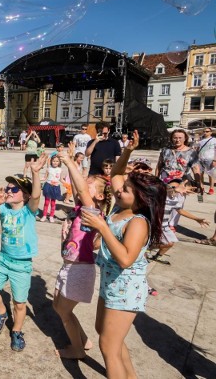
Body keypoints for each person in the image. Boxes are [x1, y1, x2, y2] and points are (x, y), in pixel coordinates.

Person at [80, 130, 166, 378]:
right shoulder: (121, 206)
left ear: (141, 199)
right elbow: (116, 174)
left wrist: (102, 228)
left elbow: (127, 259)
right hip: (111, 283)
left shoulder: (137, 222)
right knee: (106, 335)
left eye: (126, 189)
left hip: (126, 287)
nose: (119, 189)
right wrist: (128, 150)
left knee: (108, 346)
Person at [0, 153, 48, 352]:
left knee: (20, 304)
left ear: (25, 195)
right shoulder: (3, 209)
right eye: (8, 187)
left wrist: (35, 173)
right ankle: (2, 312)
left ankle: (17, 331)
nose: (9, 191)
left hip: (21, 264)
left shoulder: (28, 210)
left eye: (14, 189)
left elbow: (36, 196)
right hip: (2, 259)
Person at [54, 152, 112, 359]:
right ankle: (84, 341)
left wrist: (70, 162)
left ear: (99, 196)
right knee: (57, 306)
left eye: (89, 185)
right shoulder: (81, 210)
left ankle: (77, 351)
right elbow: (76, 187)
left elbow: (79, 188)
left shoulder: (93, 212)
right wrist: (69, 164)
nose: (82, 186)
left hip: (80, 269)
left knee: (64, 312)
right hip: (69, 266)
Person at [146, 178, 208, 265]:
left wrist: (197, 219)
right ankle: (146, 249)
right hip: (153, 224)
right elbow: (159, 187)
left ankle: (155, 255)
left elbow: (180, 210)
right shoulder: (159, 193)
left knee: (170, 243)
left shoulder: (174, 199)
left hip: (164, 225)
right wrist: (174, 188)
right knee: (166, 242)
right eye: (184, 188)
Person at [40, 155, 63, 223]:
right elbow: (45, 178)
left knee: (53, 203)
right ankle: (44, 215)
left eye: (57, 161)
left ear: (59, 162)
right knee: (46, 202)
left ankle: (51, 216)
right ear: (51, 161)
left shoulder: (60, 170)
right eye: (54, 161)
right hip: (48, 186)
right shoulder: (48, 169)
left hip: (56, 187)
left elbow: (61, 179)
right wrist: (37, 178)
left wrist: (68, 184)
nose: (55, 162)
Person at [195, 128, 216, 195]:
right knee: (200, 174)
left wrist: (215, 160)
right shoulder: (201, 141)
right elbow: (197, 149)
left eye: (207, 131)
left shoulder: (214, 140)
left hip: (209, 159)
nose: (205, 132)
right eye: (204, 131)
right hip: (200, 159)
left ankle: (211, 188)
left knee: (210, 174)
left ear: (211, 132)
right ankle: (202, 187)